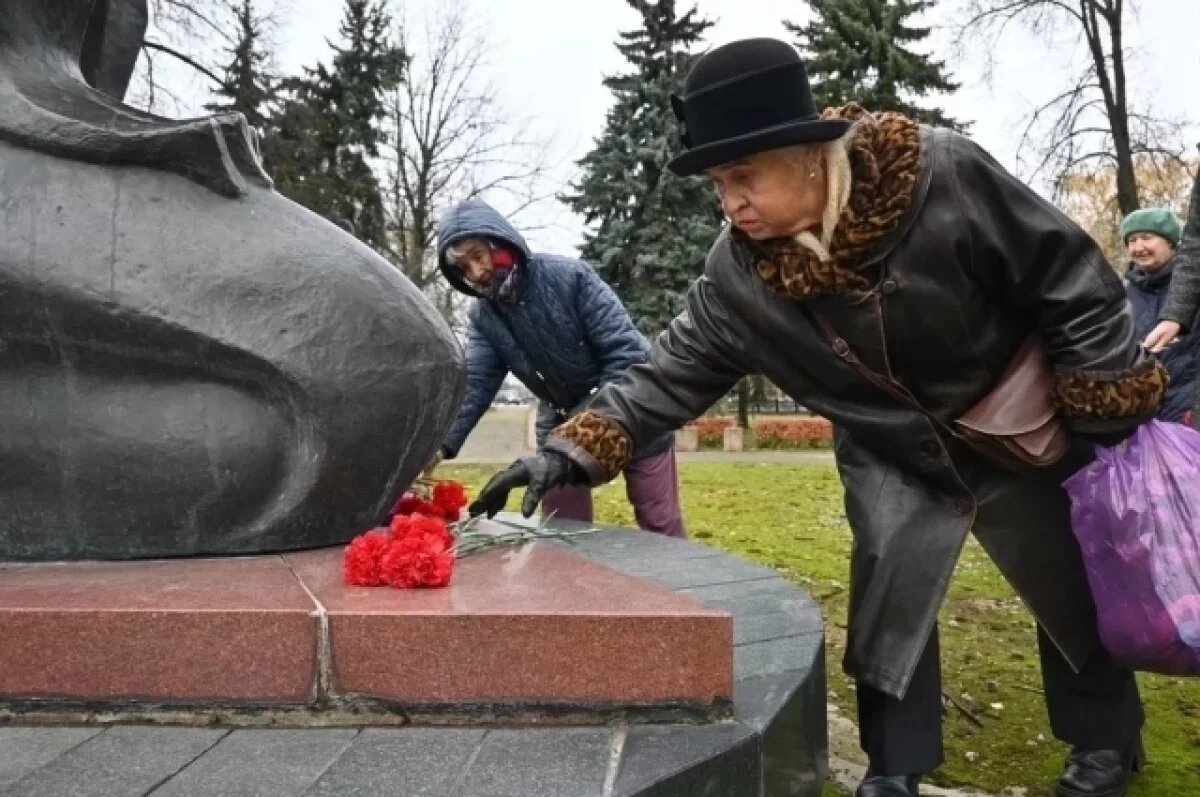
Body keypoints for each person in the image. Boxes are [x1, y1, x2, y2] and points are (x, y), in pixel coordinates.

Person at [468, 39, 1165, 797]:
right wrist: (565, 452)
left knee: (1068, 574)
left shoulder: (943, 175)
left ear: (808, 154)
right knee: (888, 594)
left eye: (745, 175)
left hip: (1015, 417)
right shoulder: (736, 275)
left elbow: (1069, 276)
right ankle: (893, 766)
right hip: (889, 446)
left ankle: (1103, 741)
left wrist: (1103, 401)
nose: (731, 203)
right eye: (718, 184)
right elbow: (668, 371)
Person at [430, 199, 686, 538]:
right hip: (560, 425)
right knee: (562, 530)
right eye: (463, 268)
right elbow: (476, 383)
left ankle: (678, 574)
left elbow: (627, 355)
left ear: (500, 243)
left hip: (631, 408)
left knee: (660, 523)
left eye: (478, 256)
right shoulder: (483, 317)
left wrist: (590, 419)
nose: (476, 273)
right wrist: (439, 445)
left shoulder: (571, 277)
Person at [1120, 208, 1198, 423]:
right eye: (1132, 240)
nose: (1138, 247)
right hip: (1144, 416)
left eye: (1146, 237)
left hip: (1189, 411)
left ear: (1171, 242)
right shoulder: (1122, 297)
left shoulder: (1193, 288)